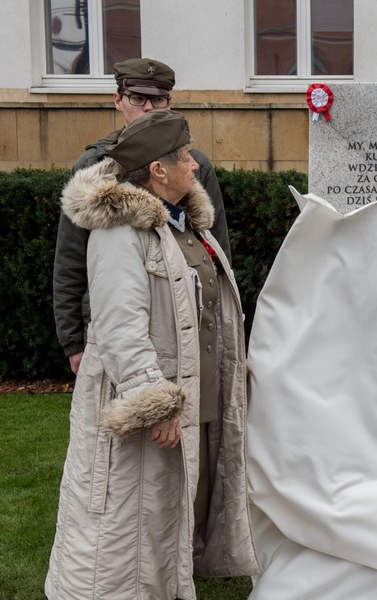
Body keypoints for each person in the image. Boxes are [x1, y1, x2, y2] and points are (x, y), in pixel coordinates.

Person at [45, 110, 257, 599]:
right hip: (155, 410)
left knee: (164, 522)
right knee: (125, 528)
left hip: (189, 400)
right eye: (184, 157)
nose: (194, 166)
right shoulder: (120, 232)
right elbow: (120, 326)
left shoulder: (183, 225)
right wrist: (152, 400)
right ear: (157, 171)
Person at [53, 57, 231, 376]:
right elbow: (71, 258)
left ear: (169, 102)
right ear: (118, 99)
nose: (148, 107)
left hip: (185, 320)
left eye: (158, 98)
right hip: (114, 323)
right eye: (138, 97)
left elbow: (216, 250)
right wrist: (73, 342)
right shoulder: (94, 168)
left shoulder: (195, 165)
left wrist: (219, 323)